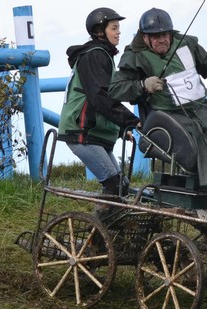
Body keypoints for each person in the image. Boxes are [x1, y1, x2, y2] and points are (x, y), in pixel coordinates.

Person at [108, 8, 207, 216]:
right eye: (156, 36)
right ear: (145, 37)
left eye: (165, 35)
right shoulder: (134, 56)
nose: (162, 40)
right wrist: (143, 85)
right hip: (172, 118)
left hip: (202, 112)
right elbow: (116, 89)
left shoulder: (186, 44)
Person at [58, 8, 141, 204]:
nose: (118, 32)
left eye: (118, 28)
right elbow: (100, 98)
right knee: (113, 184)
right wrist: (132, 121)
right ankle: (100, 232)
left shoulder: (103, 55)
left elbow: (104, 98)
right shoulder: (95, 56)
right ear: (99, 31)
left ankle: (108, 231)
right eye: (114, 28)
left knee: (122, 185)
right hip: (82, 132)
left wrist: (121, 128)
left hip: (94, 133)